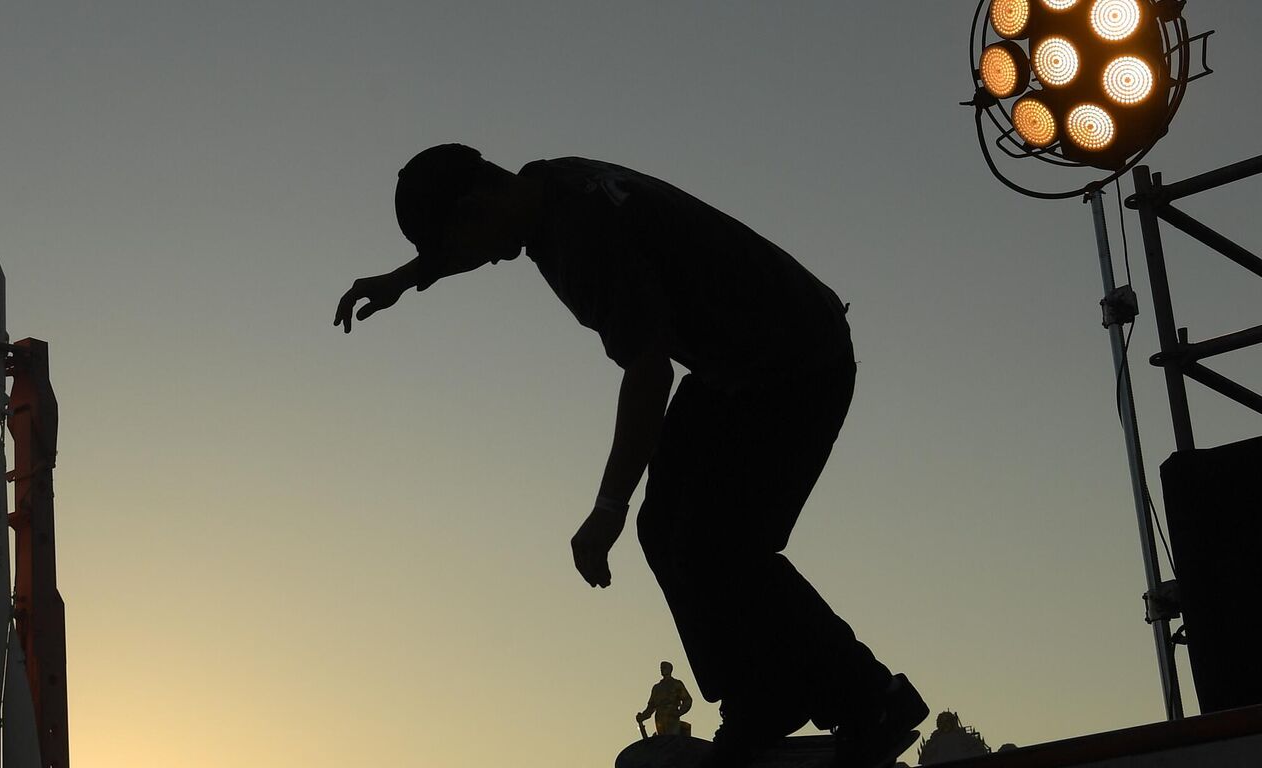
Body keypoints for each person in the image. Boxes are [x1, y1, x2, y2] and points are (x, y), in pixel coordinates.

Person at [332, 144, 928, 768]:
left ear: (476, 206)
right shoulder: (546, 182)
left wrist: (607, 506)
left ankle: (868, 699)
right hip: (744, 358)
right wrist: (407, 277)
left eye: (465, 249)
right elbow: (475, 236)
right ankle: (765, 695)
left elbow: (648, 373)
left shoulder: (583, 241)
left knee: (718, 544)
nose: (477, 263)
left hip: (797, 363)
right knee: (666, 530)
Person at [638, 661, 694, 738]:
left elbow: (687, 700)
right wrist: (642, 717)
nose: (662, 669)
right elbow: (651, 707)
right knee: (662, 741)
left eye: (664, 667)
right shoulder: (657, 687)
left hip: (672, 716)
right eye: (661, 668)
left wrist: (679, 712)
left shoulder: (676, 684)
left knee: (673, 740)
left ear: (670, 669)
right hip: (659, 717)